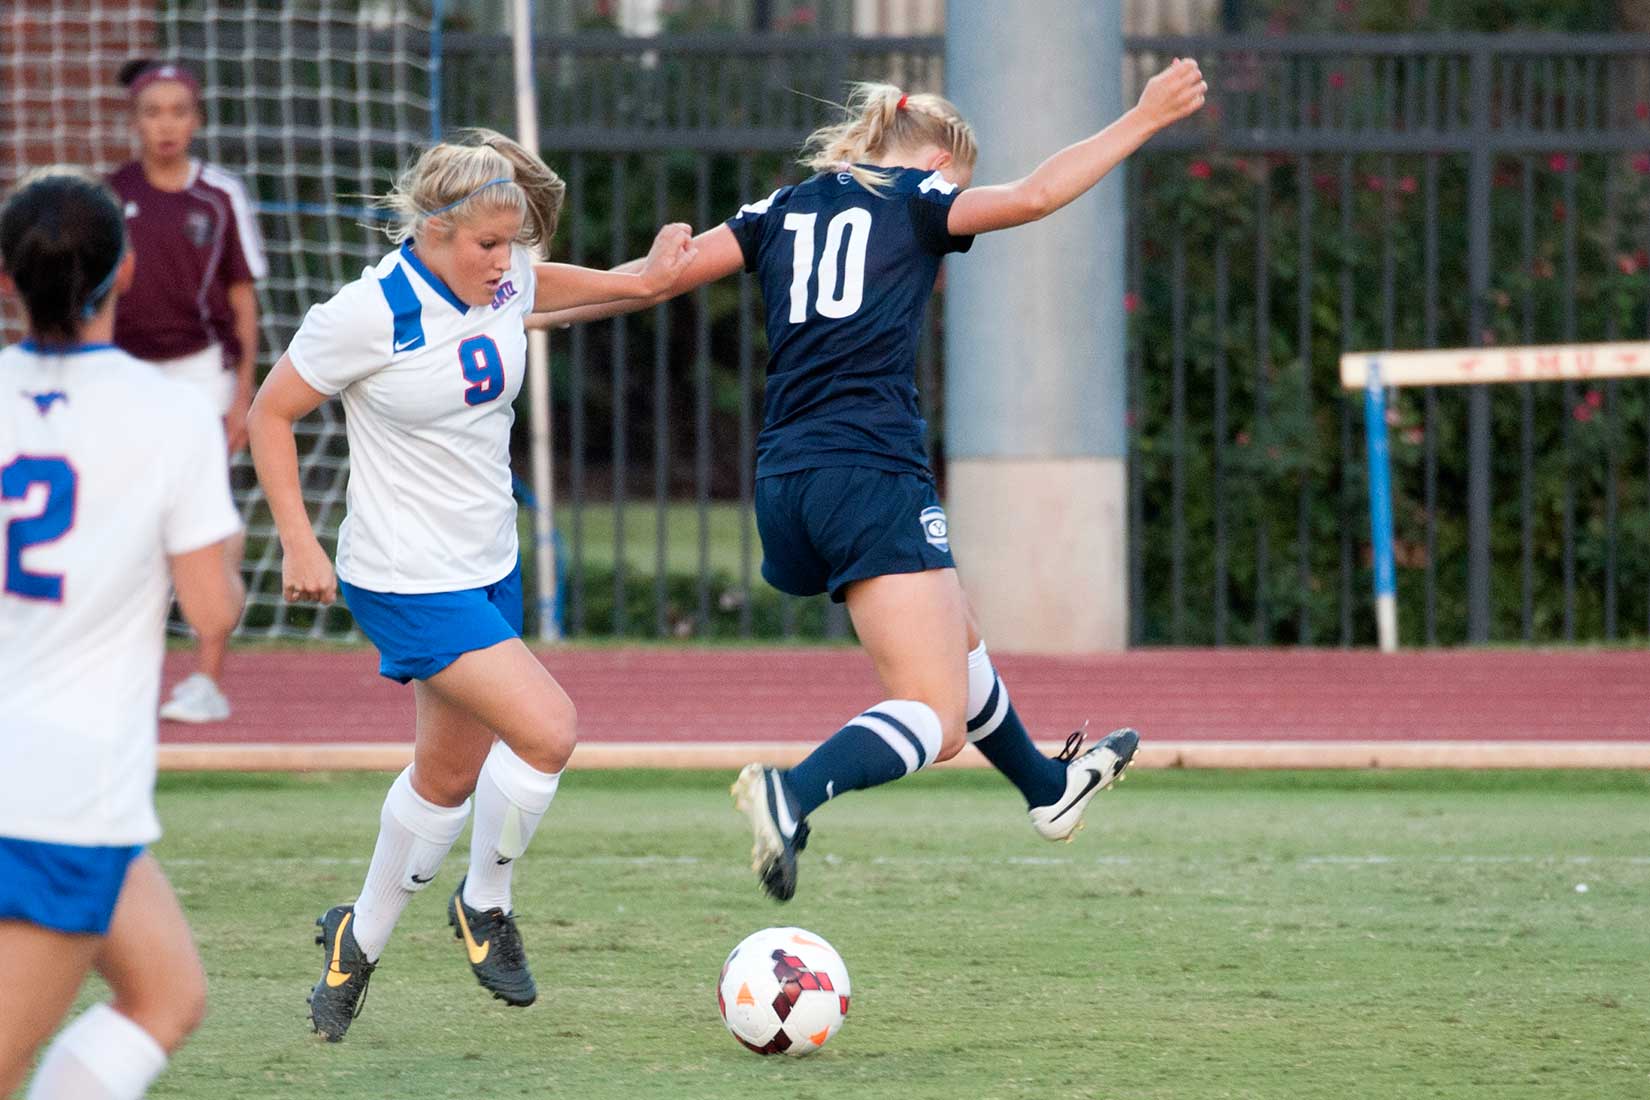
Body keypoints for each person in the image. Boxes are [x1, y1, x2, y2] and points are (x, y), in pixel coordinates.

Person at [528, 60, 1208, 900]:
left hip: (786, 480)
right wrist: (1144, 117)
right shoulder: (921, 197)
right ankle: (792, 794)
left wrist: (519, 308)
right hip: (870, 469)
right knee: (936, 718)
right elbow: (1035, 196)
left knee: (955, 624)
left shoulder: (778, 208)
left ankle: (1048, 788)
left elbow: (647, 282)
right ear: (937, 163)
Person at [247, 128, 696, 1041]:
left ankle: (355, 944)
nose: (506, 262)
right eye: (490, 244)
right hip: (405, 577)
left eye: (513, 243)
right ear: (435, 229)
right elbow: (269, 413)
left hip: (488, 563)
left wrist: (649, 277)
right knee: (549, 730)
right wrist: (298, 542)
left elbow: (604, 286)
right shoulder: (367, 312)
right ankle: (484, 902)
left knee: (448, 776)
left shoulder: (505, 278)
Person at [0, 168, 244, 1099]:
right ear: (128, 270)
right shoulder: (170, 415)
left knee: (167, 996)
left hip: (49, 786)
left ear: (9, 280)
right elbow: (213, 611)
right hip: (60, 790)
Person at [108, 58, 269, 725]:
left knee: (206, 522)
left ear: (196, 119)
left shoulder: (220, 196)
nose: (166, 124)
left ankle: (207, 677)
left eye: (178, 111)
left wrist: (241, 396)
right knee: (128, 526)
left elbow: (243, 298)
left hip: (203, 373)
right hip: (124, 376)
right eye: (153, 112)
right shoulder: (110, 195)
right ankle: (128, 670)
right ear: (134, 121)